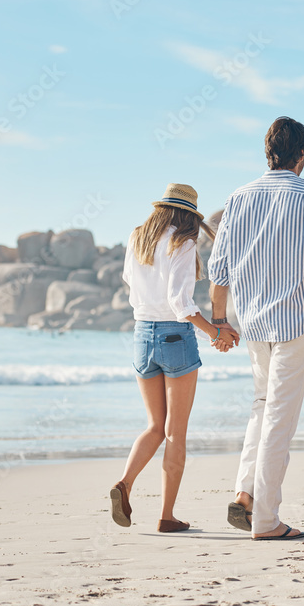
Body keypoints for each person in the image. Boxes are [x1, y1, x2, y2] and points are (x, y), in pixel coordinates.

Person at [208, 116, 304, 540]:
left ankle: (245, 494)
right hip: (294, 325)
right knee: (279, 418)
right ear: (302, 156)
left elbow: (219, 270)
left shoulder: (238, 197)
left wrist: (220, 323)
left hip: (252, 324)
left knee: (261, 405)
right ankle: (266, 521)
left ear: (267, 153)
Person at [110, 183, 237, 533]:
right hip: (174, 336)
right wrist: (215, 332)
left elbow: (128, 280)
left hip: (141, 335)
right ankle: (166, 516)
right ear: (187, 215)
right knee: (175, 433)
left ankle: (124, 483)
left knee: (154, 425)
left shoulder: (137, 237)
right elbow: (181, 303)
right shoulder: (184, 241)